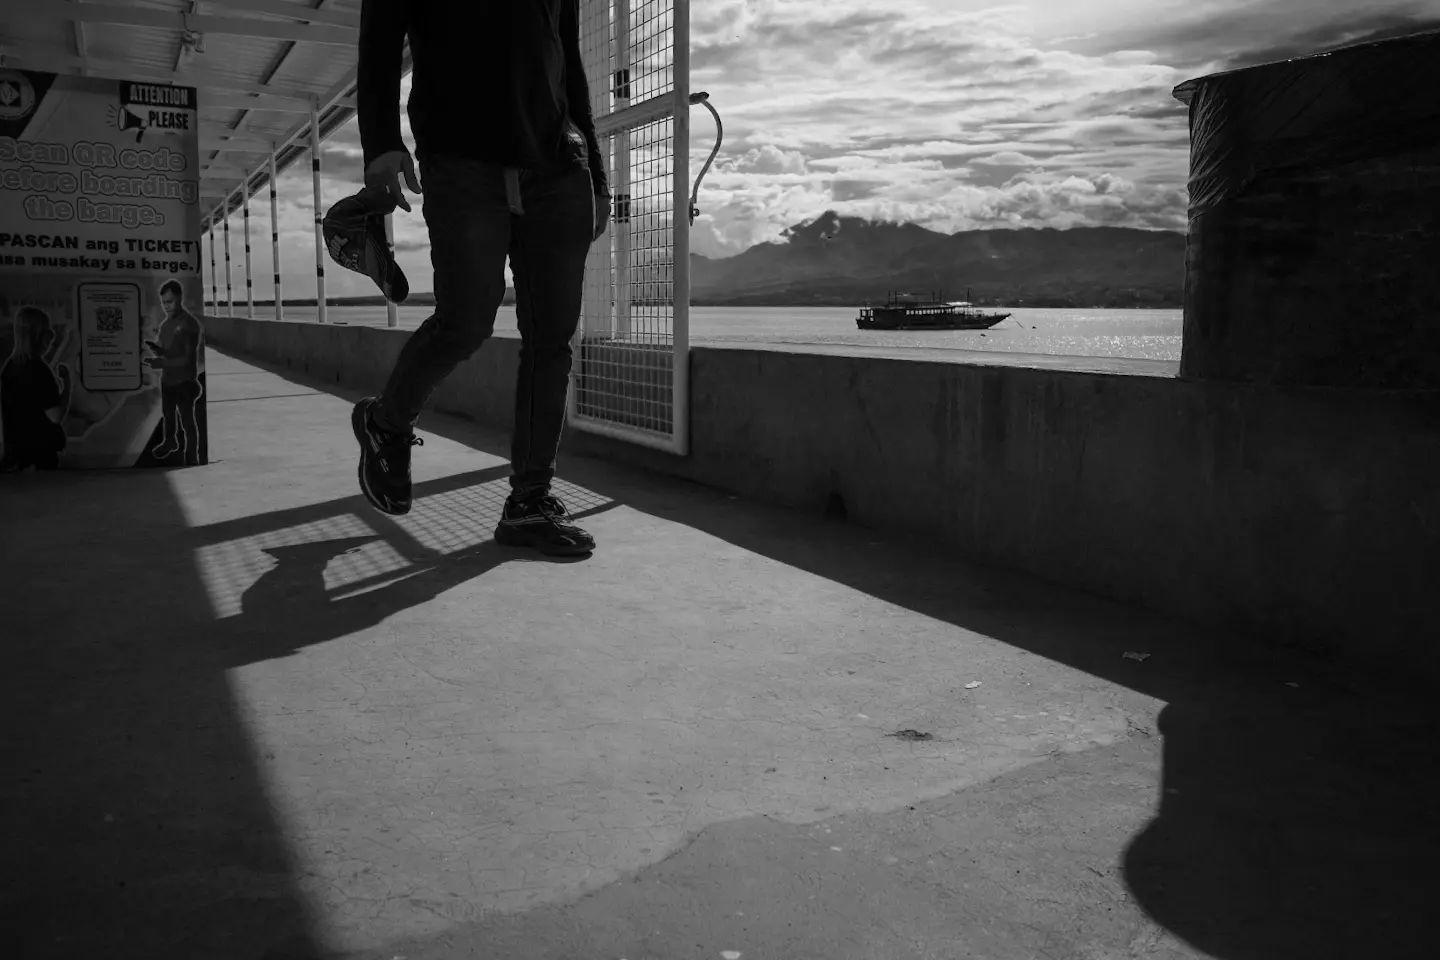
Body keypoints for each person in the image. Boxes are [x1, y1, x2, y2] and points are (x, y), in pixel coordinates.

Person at [352, 0, 610, 557]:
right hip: (461, 160)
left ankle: (530, 503)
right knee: (466, 320)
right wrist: (381, 141)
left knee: (552, 340)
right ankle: (387, 423)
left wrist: (597, 177)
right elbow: (377, 38)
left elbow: (570, 65)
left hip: (558, 166)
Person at [0, 305, 71, 472]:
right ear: (38, 335)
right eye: (47, 331)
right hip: (38, 458)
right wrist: (68, 385)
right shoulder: (38, 370)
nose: (51, 337)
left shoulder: (10, 367)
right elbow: (56, 416)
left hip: (17, 457)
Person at [144, 279, 204, 465]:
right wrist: (157, 352)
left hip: (185, 382)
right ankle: (170, 441)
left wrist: (163, 361)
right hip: (168, 381)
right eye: (163, 302)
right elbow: (168, 352)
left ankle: (192, 457)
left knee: (187, 421)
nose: (166, 306)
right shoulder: (164, 325)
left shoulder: (189, 324)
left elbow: (186, 359)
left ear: (180, 298)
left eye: (170, 302)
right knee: (168, 416)